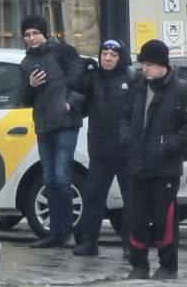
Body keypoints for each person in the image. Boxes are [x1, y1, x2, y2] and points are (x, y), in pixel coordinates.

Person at [120, 39, 187, 280]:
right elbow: (125, 117)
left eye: (149, 64)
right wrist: (127, 139)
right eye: (143, 64)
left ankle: (168, 265)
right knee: (136, 216)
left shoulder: (181, 90)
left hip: (164, 168)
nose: (145, 69)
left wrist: (171, 145)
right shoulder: (138, 87)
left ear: (163, 65)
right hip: (137, 165)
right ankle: (138, 264)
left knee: (164, 218)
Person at [18, 14, 85, 248]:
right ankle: (55, 232)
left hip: (66, 124)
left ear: (44, 33)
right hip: (43, 126)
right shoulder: (26, 63)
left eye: (35, 33)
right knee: (49, 178)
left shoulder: (63, 52)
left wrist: (70, 104)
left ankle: (66, 232)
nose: (31, 38)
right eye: (27, 34)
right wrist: (31, 86)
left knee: (61, 175)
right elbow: (24, 99)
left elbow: (83, 82)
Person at [72, 38, 139, 258]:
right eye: (104, 54)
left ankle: (131, 245)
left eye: (113, 55)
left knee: (131, 200)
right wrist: (82, 74)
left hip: (125, 150)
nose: (107, 59)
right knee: (93, 197)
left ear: (121, 58)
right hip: (100, 150)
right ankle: (89, 241)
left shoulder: (131, 79)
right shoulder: (94, 78)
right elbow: (78, 106)